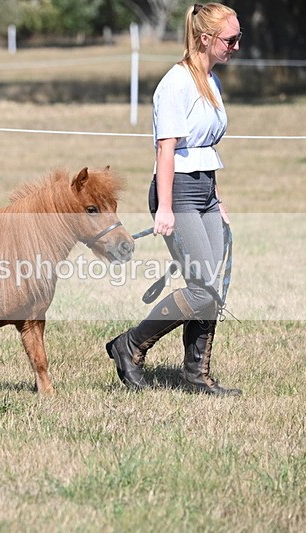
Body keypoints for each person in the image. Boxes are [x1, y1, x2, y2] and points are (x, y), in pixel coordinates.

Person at [106, 3, 242, 396]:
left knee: (210, 289)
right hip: (178, 191)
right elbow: (166, 150)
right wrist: (164, 207)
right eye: (230, 39)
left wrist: (217, 198)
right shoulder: (175, 83)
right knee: (202, 288)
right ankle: (130, 345)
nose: (236, 46)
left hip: (205, 191)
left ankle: (196, 374)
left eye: (238, 38)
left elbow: (205, 147)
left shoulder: (211, 80)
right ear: (205, 38)